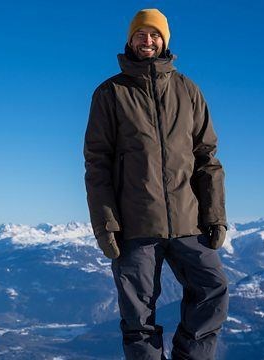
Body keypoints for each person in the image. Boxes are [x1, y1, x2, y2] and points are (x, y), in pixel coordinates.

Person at [83, 8, 228, 360]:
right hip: (133, 226)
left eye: (154, 34)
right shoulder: (110, 94)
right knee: (138, 317)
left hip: (187, 222)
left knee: (213, 289)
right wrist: (106, 226)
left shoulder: (188, 91)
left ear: (164, 40)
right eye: (140, 34)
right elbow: (97, 164)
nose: (147, 40)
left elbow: (207, 159)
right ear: (130, 40)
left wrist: (215, 215)